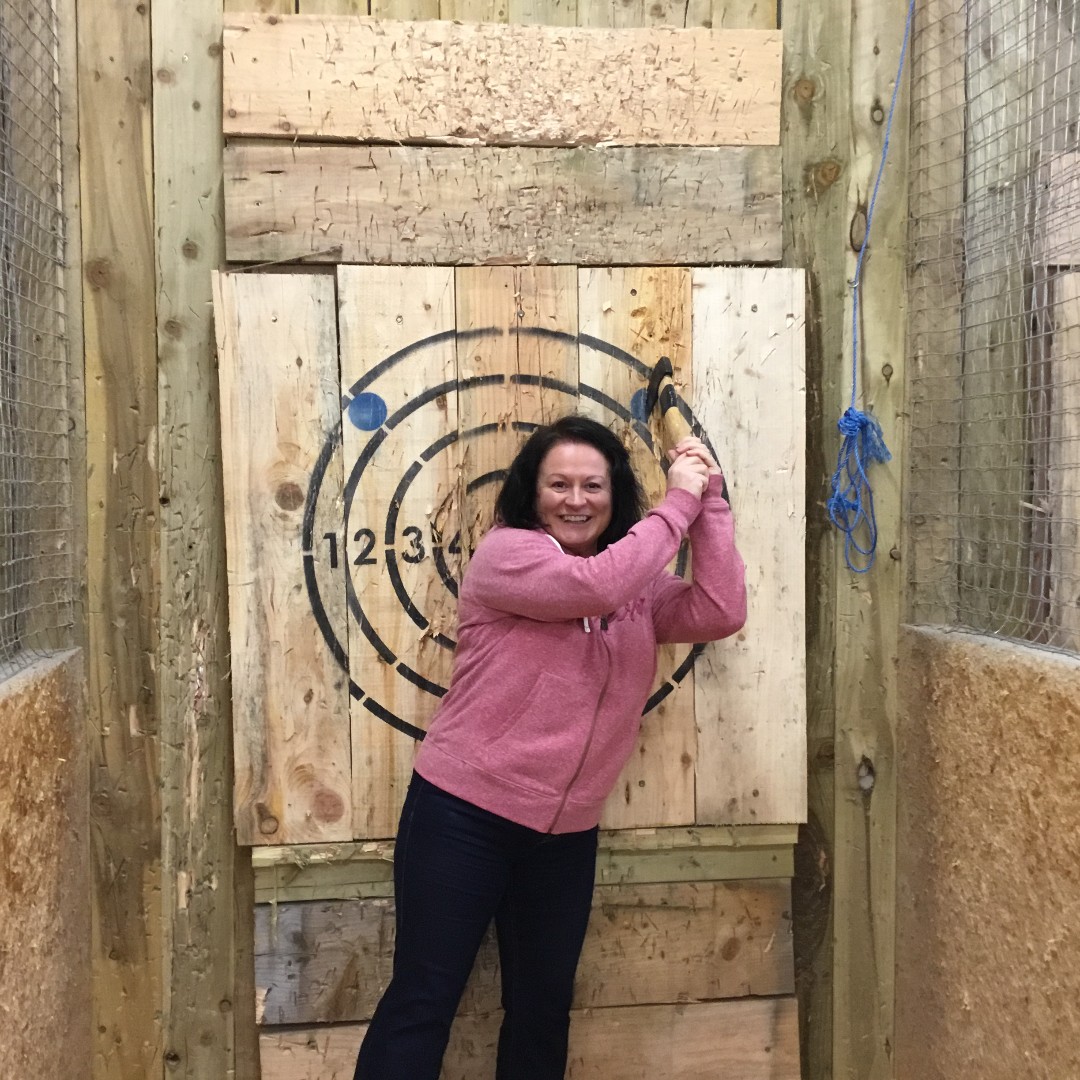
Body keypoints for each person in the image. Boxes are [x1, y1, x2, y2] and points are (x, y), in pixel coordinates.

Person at [354, 415, 747, 1080]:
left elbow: (720, 609)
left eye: (592, 485)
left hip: (564, 836)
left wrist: (708, 502)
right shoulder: (508, 556)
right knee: (423, 1002)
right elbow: (593, 588)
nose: (576, 499)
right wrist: (678, 500)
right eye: (558, 484)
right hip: (463, 817)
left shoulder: (639, 587)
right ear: (532, 495)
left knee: (542, 1011)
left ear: (613, 494)